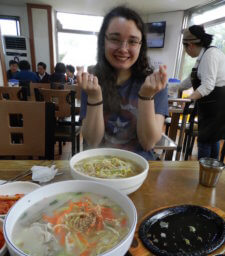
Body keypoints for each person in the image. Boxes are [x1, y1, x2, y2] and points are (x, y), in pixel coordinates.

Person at [77, 6, 168, 160]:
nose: (123, 49)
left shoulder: (153, 84)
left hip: (140, 167)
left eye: (132, 41)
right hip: (98, 166)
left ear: (141, 46)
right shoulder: (92, 82)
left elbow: (148, 143)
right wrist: (94, 97)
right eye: (115, 39)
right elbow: (92, 141)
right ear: (103, 41)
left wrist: (146, 96)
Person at [179, 25, 225, 160]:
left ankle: (203, 170)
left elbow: (208, 85)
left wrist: (189, 99)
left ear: (190, 45)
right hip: (209, 105)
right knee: (212, 138)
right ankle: (211, 168)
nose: (186, 51)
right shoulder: (203, 56)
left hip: (217, 105)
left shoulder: (211, 55)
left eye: (184, 47)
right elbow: (189, 80)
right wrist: (170, 87)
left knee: (205, 139)